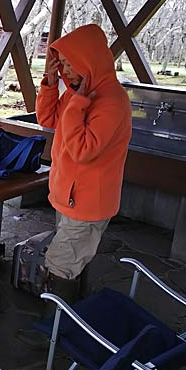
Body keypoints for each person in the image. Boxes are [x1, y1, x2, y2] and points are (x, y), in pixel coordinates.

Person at [36, 24, 132, 304]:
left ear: (89, 61)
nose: (66, 71)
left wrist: (77, 104)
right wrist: (51, 85)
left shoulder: (110, 100)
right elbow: (48, 120)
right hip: (70, 197)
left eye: (70, 64)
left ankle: (53, 334)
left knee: (60, 264)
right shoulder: (78, 92)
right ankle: (76, 312)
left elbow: (82, 150)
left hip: (88, 203)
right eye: (62, 64)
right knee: (72, 259)